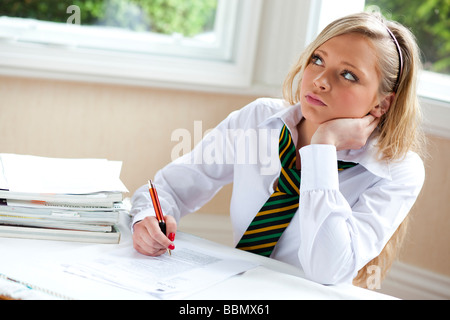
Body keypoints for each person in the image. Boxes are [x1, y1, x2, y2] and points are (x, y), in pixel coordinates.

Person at [129, 12, 425, 287]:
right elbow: (169, 187)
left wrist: (323, 147)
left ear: (382, 103)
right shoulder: (259, 119)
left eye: (348, 75)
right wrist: (147, 218)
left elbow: (329, 269)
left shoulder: (396, 170)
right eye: (318, 60)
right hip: (229, 292)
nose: (320, 80)